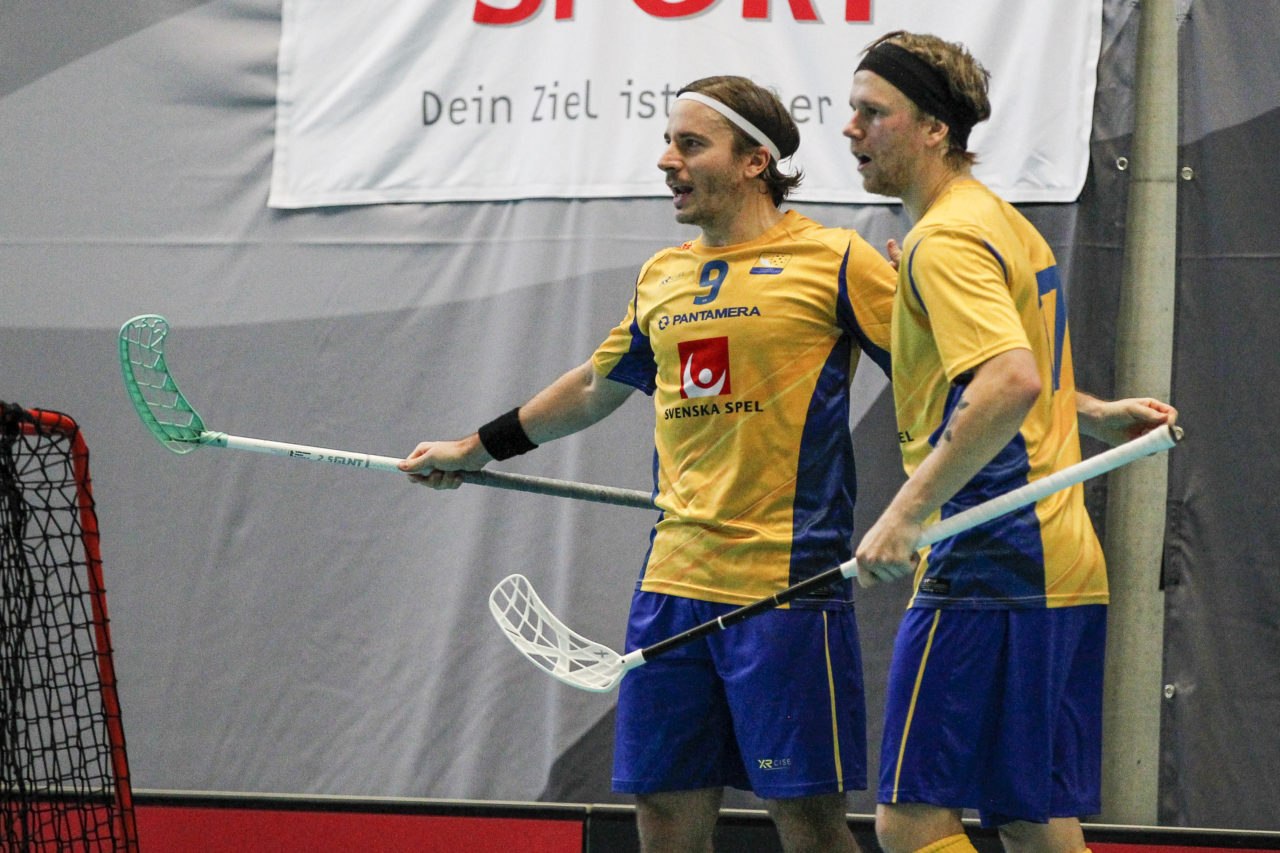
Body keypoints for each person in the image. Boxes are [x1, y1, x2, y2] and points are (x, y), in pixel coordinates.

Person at [401, 75, 896, 853]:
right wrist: (474, 447)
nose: (666, 159)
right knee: (663, 817)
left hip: (787, 589)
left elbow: (940, 373)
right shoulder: (664, 276)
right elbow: (597, 386)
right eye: (669, 141)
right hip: (670, 589)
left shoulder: (837, 260)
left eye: (690, 144)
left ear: (754, 160)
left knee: (808, 825)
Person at [842, 31, 1177, 853]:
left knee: (911, 820)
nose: (851, 128)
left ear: (933, 130)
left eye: (872, 113)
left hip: (988, 554)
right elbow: (1024, 374)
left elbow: (1007, 382)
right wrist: (1092, 411)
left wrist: (907, 510)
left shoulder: (946, 239)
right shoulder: (996, 221)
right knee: (1029, 813)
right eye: (853, 111)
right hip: (1059, 558)